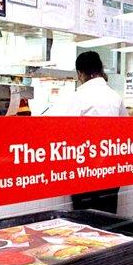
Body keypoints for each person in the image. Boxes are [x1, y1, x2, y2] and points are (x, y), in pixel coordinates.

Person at [47, 51, 126, 213]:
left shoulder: (77, 97)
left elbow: (58, 128)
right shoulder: (115, 97)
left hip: (86, 170)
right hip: (111, 170)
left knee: (84, 221)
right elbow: (125, 129)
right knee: (108, 217)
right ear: (100, 69)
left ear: (80, 74)